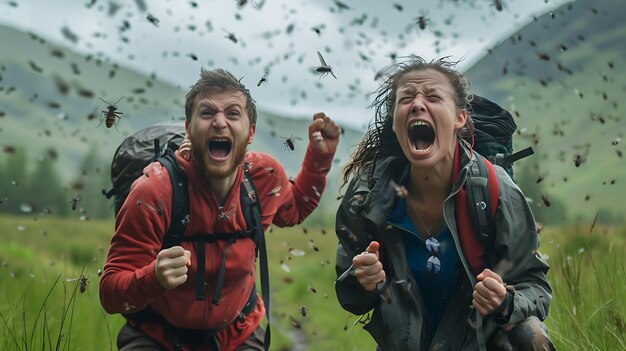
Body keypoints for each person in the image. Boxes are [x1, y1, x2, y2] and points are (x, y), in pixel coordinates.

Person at [100, 68, 341, 351]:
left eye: (233, 113)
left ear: (250, 132)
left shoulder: (264, 178)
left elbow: (294, 209)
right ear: (189, 128)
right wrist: (153, 279)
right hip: (158, 336)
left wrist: (320, 157)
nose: (219, 122)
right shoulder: (154, 191)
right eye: (207, 113)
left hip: (238, 334)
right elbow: (110, 293)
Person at [334, 56, 554, 350]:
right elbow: (351, 298)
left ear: (459, 118)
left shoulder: (495, 189)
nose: (417, 104)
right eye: (406, 98)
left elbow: (536, 287)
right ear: (396, 124)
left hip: (479, 341)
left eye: (434, 97)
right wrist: (362, 281)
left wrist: (504, 303)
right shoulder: (367, 196)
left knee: (531, 334)